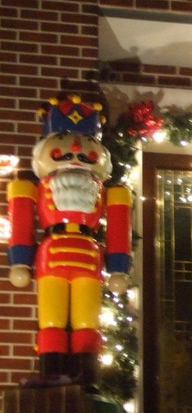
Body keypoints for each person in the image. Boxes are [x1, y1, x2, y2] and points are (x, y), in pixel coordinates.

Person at [7, 94, 132, 388]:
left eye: (85, 141)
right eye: (63, 139)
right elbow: (22, 223)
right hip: (51, 257)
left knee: (87, 322)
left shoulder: (113, 193)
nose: (75, 148)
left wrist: (119, 268)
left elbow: (118, 230)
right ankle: (52, 373)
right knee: (51, 320)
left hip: (89, 259)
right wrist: (20, 261)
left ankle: (86, 379)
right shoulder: (29, 187)